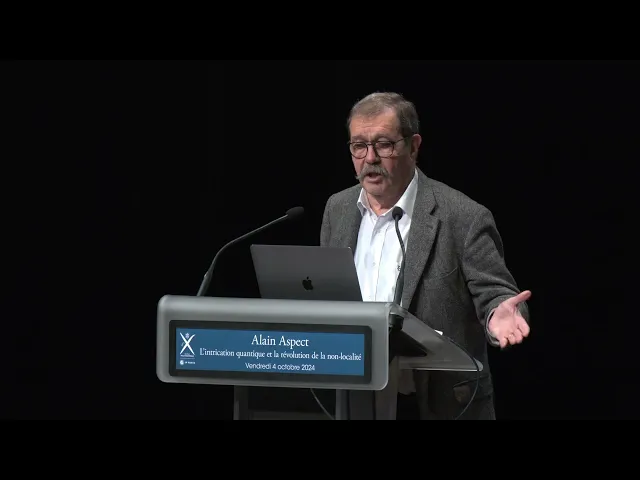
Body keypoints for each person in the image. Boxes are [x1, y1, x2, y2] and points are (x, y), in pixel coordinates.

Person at [320, 92, 531, 420]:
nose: (370, 158)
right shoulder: (338, 209)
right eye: (359, 146)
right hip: (355, 397)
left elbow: (496, 295)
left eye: (384, 144)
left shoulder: (462, 216)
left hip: (435, 403)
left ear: (413, 146)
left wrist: (498, 316)